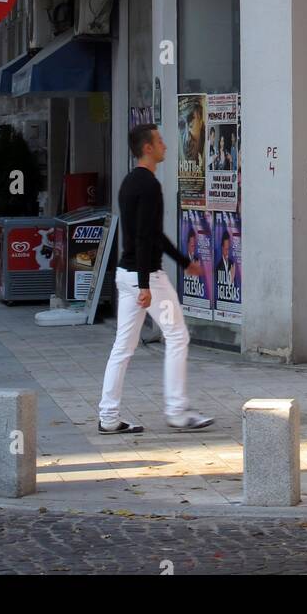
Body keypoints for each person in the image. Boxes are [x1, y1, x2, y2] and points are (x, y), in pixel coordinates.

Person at [98, 124, 213, 434]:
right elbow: (146, 236)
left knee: (123, 346)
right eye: (159, 140)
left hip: (127, 274)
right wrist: (147, 284)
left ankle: (108, 417)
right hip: (145, 277)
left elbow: (149, 234)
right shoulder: (149, 185)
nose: (165, 145)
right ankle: (177, 411)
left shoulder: (128, 183)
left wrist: (183, 262)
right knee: (177, 336)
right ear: (147, 148)